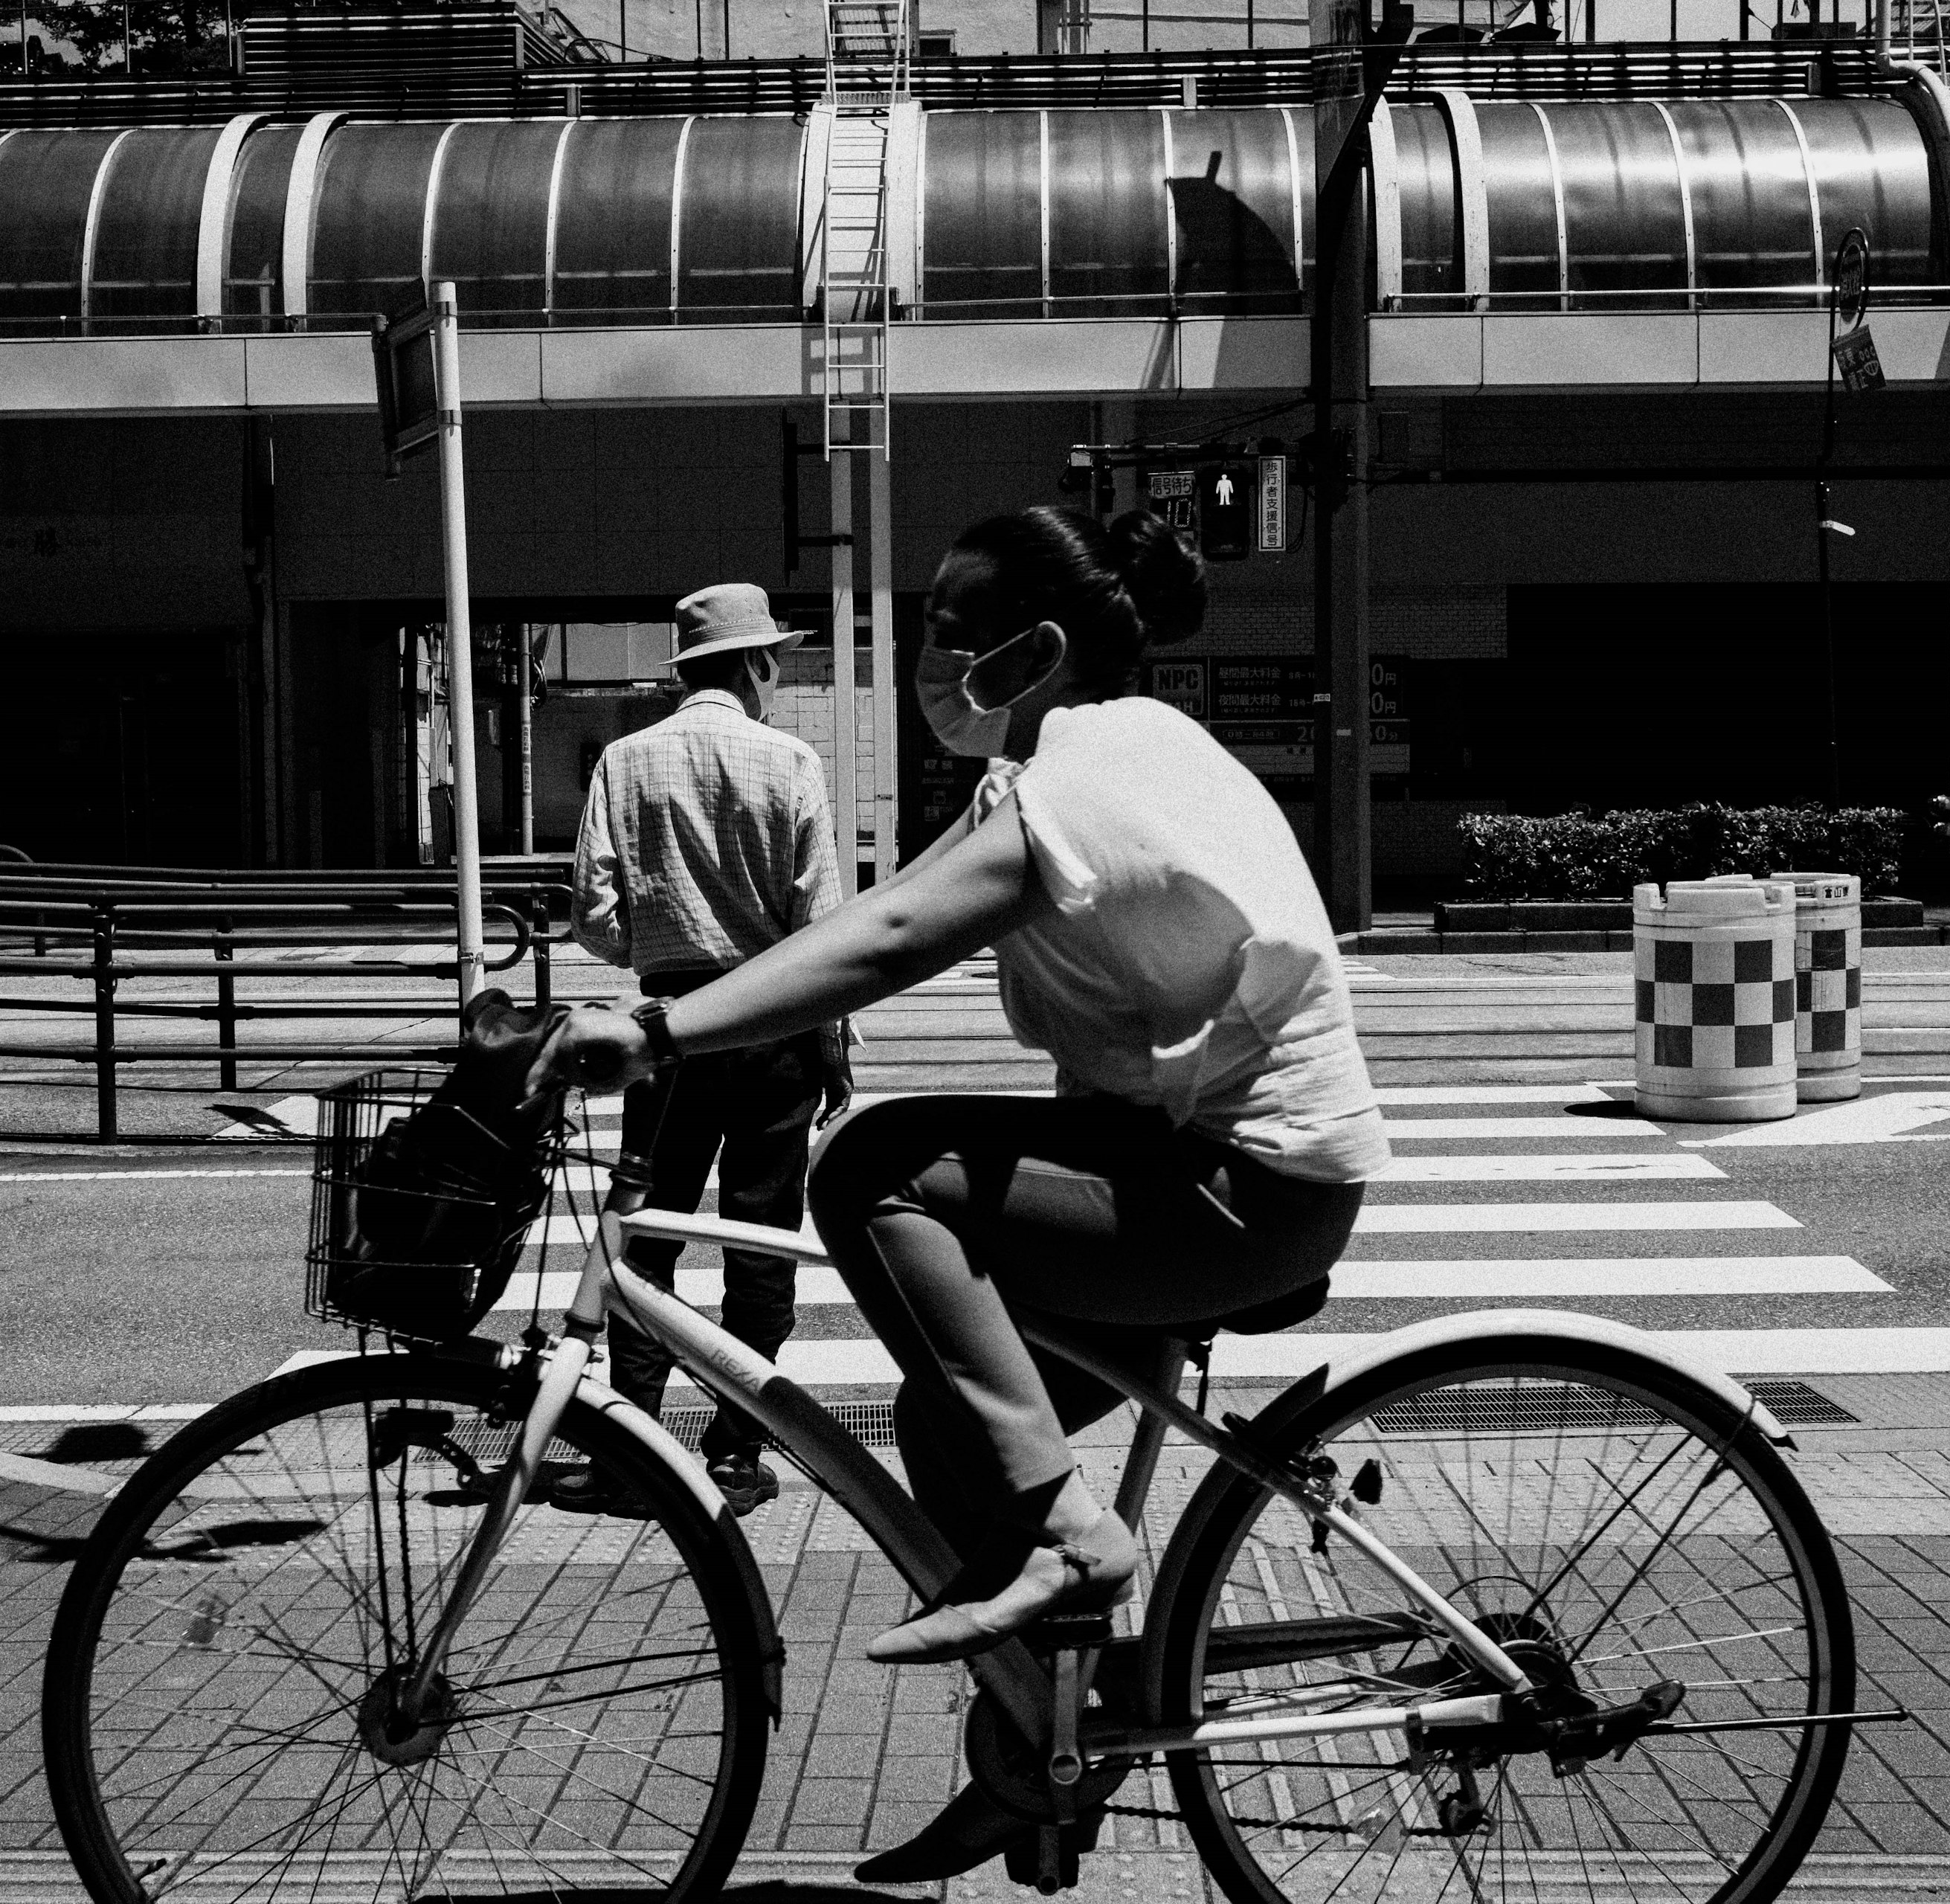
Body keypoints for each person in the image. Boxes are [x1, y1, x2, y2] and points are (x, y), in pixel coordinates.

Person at [539, 507, 1388, 1882]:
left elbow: (883, 938)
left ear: (1034, 650)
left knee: (874, 1169)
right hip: (1186, 1175)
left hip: (1243, 1191)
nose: (926, 663)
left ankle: (1075, 1535)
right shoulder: (1062, 768)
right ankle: (1036, 1764)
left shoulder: (1092, 773)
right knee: (957, 1436)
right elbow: (856, 922)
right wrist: (669, 1015)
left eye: (947, 632)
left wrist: (665, 1035)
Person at [556, 581, 849, 1518]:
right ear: (758, 664)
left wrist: (654, 947)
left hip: (669, 1030)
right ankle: (733, 1452)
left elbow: (593, 917)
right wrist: (837, 1046)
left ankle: (635, 1447)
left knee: (647, 1242)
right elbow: (824, 923)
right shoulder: (790, 760)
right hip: (775, 1029)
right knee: (759, 1246)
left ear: (689, 669)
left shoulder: (626, 762)